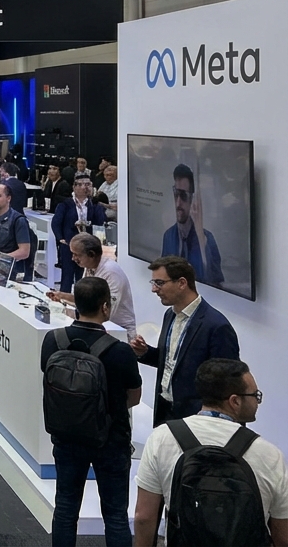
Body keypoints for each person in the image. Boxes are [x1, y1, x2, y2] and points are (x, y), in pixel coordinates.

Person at [134, 358, 288, 547]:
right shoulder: (268, 454)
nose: (257, 401)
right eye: (255, 395)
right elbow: (283, 532)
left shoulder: (162, 438)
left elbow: (144, 516)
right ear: (235, 401)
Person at [40, 277, 142, 547]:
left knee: (64, 509)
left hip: (66, 437)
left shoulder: (53, 341)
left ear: (76, 304)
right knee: (116, 516)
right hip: (111, 441)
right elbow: (134, 397)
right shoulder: (120, 351)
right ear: (105, 307)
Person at [130, 255, 240, 425]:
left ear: (182, 283)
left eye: (159, 283)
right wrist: (145, 353)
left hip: (196, 419)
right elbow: (174, 363)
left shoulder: (217, 326)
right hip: (166, 411)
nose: (154, 290)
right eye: (153, 283)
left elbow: (227, 383)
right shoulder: (170, 315)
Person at [46, 233, 138, 339]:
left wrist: (69, 312)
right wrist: (61, 296)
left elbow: (106, 312)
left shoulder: (111, 273)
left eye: (77, 255)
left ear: (91, 254)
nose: (73, 258)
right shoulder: (90, 266)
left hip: (120, 332)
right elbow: (86, 300)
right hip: (102, 330)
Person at [161, 162, 224, 285]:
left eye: (183, 196)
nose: (178, 203)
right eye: (176, 194)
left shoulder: (206, 239)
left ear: (192, 199)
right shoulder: (168, 236)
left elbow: (214, 281)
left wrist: (200, 236)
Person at [51, 175, 109, 292]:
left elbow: (100, 221)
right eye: (82, 185)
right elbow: (56, 222)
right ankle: (63, 299)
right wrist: (60, 238)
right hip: (69, 243)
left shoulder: (94, 204)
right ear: (75, 187)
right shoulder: (66, 204)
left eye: (88, 185)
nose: (85, 188)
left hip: (87, 246)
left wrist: (98, 203)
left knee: (83, 275)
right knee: (67, 274)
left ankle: (80, 300)